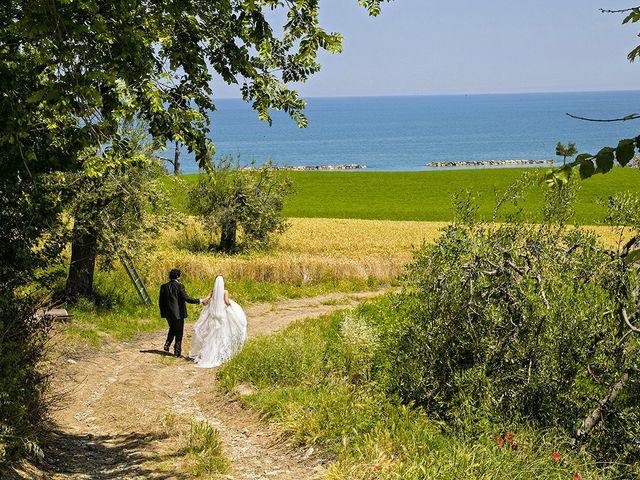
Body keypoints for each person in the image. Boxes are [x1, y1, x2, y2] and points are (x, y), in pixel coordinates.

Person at [189, 275, 247, 368]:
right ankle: (220, 354)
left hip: (212, 316)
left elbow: (206, 300)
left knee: (211, 335)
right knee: (222, 335)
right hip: (222, 316)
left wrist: (205, 301)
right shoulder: (225, 292)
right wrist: (232, 305)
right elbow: (227, 301)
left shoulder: (212, 292)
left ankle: (209, 354)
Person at [159, 268, 210, 357]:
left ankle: (167, 344)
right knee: (178, 332)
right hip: (178, 313)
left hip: (168, 313)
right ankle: (177, 352)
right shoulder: (180, 286)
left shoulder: (163, 286)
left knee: (172, 328)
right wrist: (200, 301)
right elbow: (186, 298)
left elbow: (160, 301)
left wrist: (163, 312)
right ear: (178, 276)